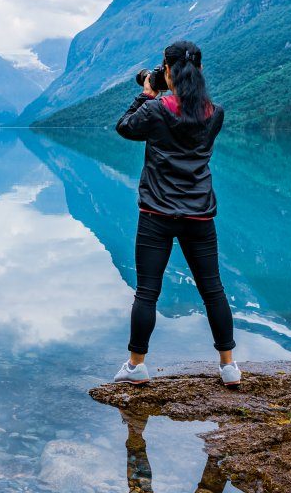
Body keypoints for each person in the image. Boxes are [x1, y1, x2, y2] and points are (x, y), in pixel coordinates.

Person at [111, 40, 240, 387]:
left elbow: (124, 127)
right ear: (198, 71)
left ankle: (137, 366)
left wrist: (146, 93)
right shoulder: (215, 113)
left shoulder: (156, 110)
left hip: (157, 213)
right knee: (213, 289)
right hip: (199, 213)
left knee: (147, 291)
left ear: (167, 71)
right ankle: (228, 367)